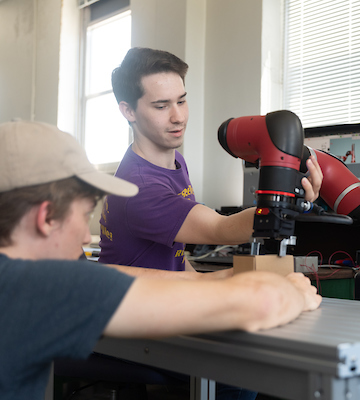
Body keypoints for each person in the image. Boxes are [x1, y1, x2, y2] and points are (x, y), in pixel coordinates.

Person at [0, 120, 322, 400]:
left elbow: (115, 274)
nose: (87, 236)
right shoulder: (37, 288)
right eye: (83, 216)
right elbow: (261, 302)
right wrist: (292, 289)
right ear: (45, 218)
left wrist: (212, 279)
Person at [98, 47, 323, 272]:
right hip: (131, 305)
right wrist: (286, 202)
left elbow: (173, 258)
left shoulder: (173, 162)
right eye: (162, 106)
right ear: (128, 111)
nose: (178, 117)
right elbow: (220, 228)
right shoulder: (140, 187)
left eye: (181, 101)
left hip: (158, 296)